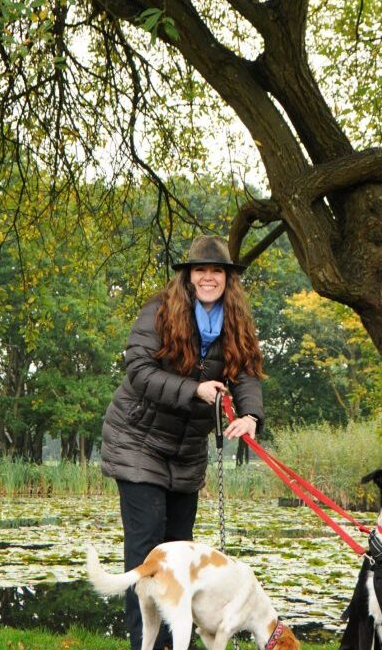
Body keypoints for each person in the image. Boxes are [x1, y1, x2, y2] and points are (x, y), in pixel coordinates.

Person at [100, 234, 264, 650]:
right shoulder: (158, 311)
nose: (208, 278)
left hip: (186, 452)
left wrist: (249, 415)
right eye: (200, 270)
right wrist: (194, 390)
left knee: (179, 549)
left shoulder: (235, 321)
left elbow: (244, 372)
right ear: (188, 276)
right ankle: (146, 643)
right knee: (148, 551)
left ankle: (178, 643)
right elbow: (138, 370)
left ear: (228, 279)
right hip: (137, 440)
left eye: (217, 271)